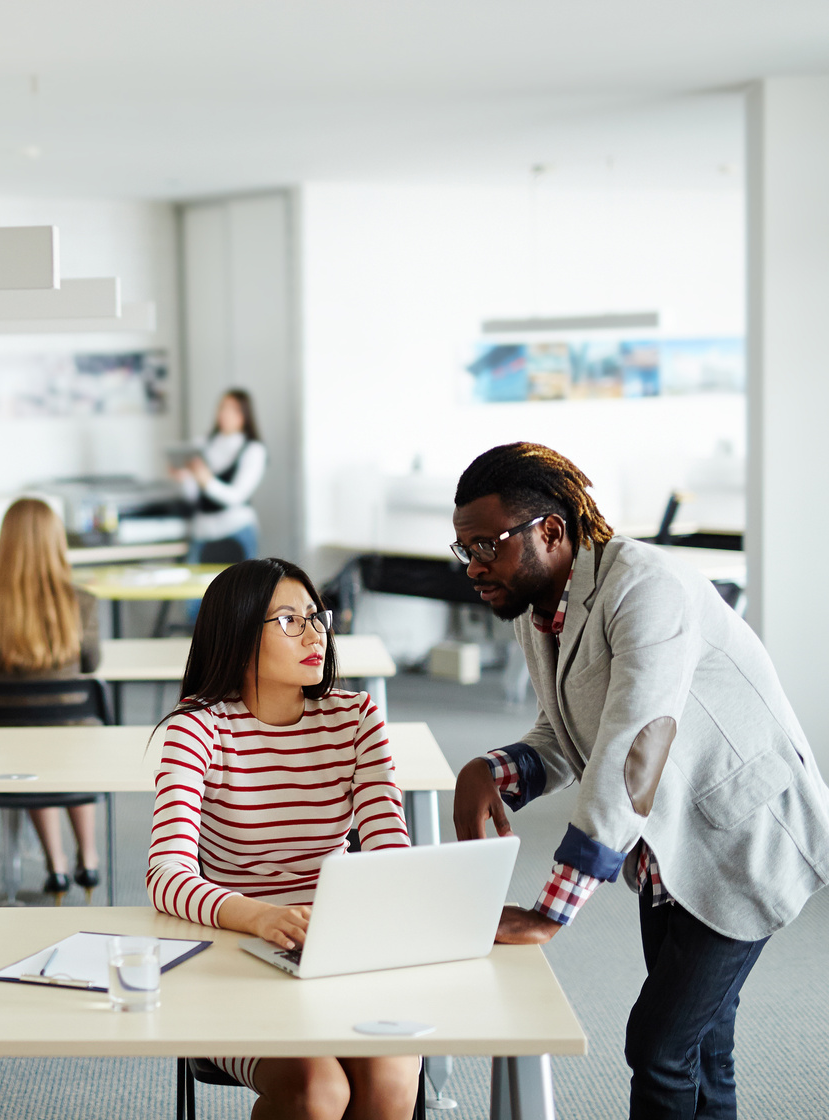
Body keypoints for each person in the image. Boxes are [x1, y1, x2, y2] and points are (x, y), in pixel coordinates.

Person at [448, 442, 829, 1119]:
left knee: (659, 1046)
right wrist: (494, 770)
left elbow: (633, 749)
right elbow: (568, 732)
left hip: (742, 837)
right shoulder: (542, 604)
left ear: (551, 531)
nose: (474, 568)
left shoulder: (644, 588)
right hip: (669, 847)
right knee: (703, 1044)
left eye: (486, 546)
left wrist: (550, 910)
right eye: (465, 551)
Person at [148, 558, 417, 1120]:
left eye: (316, 618)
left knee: (391, 1075)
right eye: (289, 621)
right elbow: (166, 876)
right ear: (240, 632)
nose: (314, 633)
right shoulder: (197, 727)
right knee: (319, 1091)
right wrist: (258, 915)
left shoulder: (357, 718)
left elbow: (391, 852)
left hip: (336, 949)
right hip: (231, 953)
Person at [0, 497, 103, 900]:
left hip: (7, 744)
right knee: (66, 742)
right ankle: (89, 858)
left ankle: (56, 865)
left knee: (29, 746)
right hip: (73, 736)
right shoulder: (81, 601)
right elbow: (92, 663)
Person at [174, 388, 267, 563]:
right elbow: (192, 496)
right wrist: (185, 478)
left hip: (235, 531)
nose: (226, 414)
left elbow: (236, 496)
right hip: (202, 532)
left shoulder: (253, 450)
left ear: (245, 415)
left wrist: (207, 481)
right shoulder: (202, 444)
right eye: (223, 407)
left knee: (237, 588)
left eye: (234, 409)